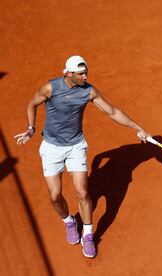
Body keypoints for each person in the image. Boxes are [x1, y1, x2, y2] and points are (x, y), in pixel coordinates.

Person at [14, 55, 150, 258]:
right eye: (81, 74)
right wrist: (31, 129)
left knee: (82, 192)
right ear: (68, 74)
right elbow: (31, 104)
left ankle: (88, 234)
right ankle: (69, 221)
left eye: (86, 72)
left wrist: (137, 127)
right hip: (51, 148)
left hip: (76, 146)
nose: (85, 76)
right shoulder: (50, 88)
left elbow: (112, 112)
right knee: (55, 196)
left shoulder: (89, 91)